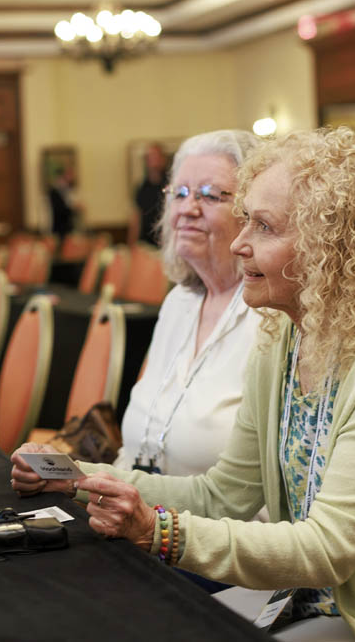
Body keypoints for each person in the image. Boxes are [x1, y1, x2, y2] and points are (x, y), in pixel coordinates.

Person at [12, 127, 355, 640]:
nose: (240, 243)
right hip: (323, 604)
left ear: (328, 246)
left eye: (263, 227)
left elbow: (329, 549)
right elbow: (222, 495)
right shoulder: (283, 338)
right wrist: (76, 478)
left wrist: (158, 531)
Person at [114, 130, 263, 478]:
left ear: (254, 214)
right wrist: (90, 482)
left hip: (216, 513)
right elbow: (135, 447)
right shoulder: (179, 302)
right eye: (179, 194)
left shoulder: (272, 316)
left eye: (209, 195)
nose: (187, 209)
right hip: (140, 503)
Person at [130, 143, 168, 246]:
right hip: (145, 243)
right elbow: (136, 217)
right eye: (150, 157)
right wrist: (132, 245)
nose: (154, 161)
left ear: (163, 159)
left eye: (156, 157)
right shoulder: (142, 187)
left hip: (165, 241)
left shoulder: (170, 185)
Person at [47, 165, 81, 237]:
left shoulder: (67, 189)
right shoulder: (55, 191)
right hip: (60, 225)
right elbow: (59, 209)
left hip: (67, 224)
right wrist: (74, 208)